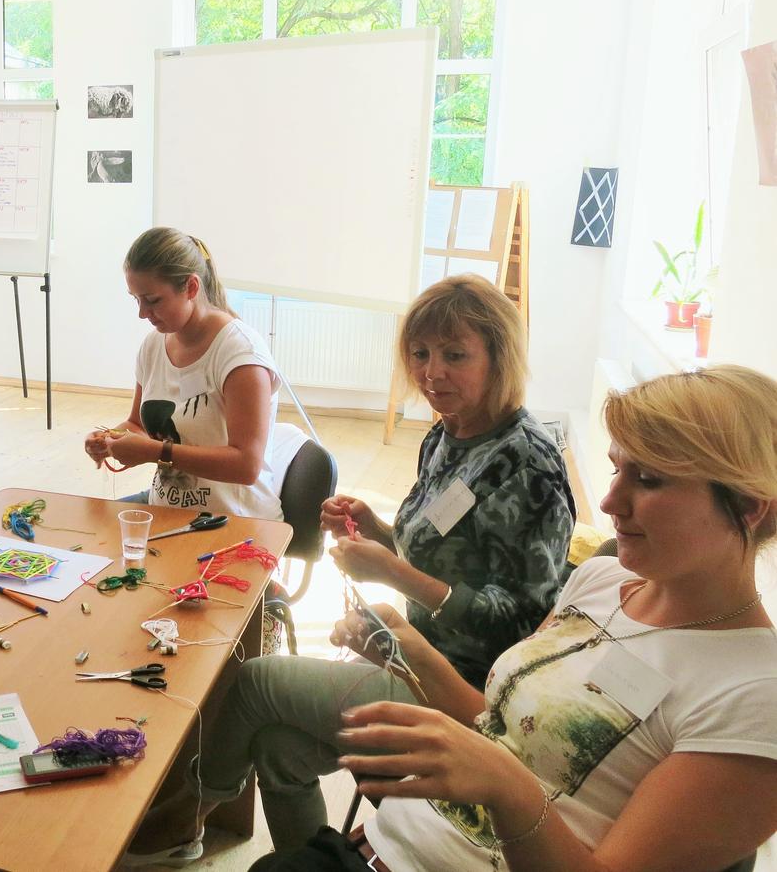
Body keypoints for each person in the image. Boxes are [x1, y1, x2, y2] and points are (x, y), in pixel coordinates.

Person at [123, 274, 575, 863]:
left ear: (499, 356)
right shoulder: (449, 434)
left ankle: (182, 818)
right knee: (280, 747)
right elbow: (436, 547)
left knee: (255, 682)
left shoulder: (529, 465)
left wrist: (395, 575)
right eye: (420, 354)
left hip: (467, 689)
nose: (432, 373)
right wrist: (377, 529)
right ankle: (310, 864)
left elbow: (526, 623)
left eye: (455, 355)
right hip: (413, 653)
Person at [263, 364, 777, 871]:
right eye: (617, 470)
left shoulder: (754, 695)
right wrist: (407, 649)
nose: (608, 501)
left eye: (648, 480)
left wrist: (507, 788)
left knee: (258, 690)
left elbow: (508, 772)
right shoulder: (601, 580)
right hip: (376, 847)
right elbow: (499, 723)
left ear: (748, 506)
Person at [83, 226, 296, 520]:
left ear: (192, 288)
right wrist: (110, 439)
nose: (142, 313)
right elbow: (137, 424)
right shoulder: (153, 345)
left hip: (236, 522)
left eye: (152, 300)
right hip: (167, 509)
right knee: (87, 528)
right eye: (136, 299)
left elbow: (246, 466)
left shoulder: (240, 354)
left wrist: (154, 452)